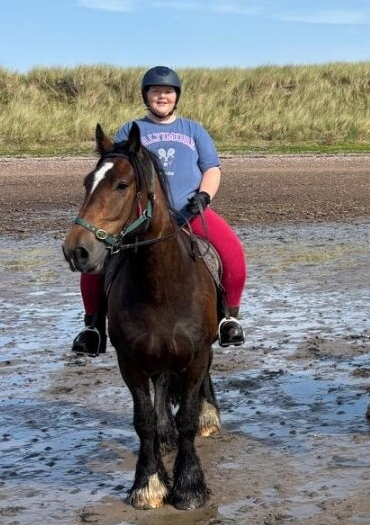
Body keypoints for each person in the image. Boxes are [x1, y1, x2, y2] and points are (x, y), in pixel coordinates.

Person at [71, 66, 247, 354]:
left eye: (167, 92)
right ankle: (93, 327)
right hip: (141, 219)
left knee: (232, 252)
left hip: (190, 213)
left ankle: (228, 319)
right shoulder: (130, 130)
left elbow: (211, 168)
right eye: (156, 92)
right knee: (94, 261)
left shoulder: (193, 130)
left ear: (176, 97)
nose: (162, 97)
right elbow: (116, 171)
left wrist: (204, 196)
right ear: (146, 96)